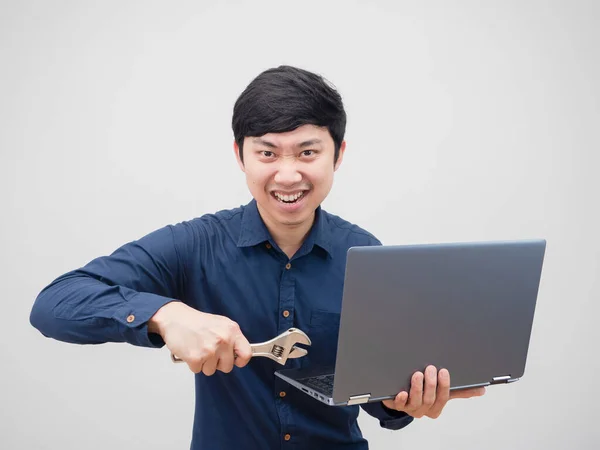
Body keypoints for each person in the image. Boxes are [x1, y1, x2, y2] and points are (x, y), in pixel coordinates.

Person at [29, 65, 485, 449]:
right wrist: (164, 315)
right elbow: (55, 303)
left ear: (338, 155)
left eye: (308, 152)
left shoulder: (365, 256)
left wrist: (401, 399)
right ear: (240, 155)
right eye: (267, 152)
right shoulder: (195, 244)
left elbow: (372, 393)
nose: (288, 175)